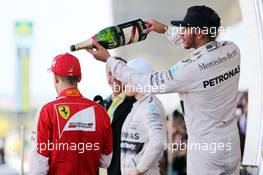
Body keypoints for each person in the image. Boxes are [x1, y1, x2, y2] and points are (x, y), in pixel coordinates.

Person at [86, 5, 241, 175]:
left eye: (185, 28)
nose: (181, 31)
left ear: (200, 33)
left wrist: (110, 61)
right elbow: (197, 44)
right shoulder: (231, 50)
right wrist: (164, 30)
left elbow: (146, 82)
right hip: (230, 143)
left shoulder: (188, 71)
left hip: (206, 152)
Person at [29, 53, 112, 175]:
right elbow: (105, 161)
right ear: (79, 78)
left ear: (55, 78)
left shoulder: (47, 111)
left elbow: (38, 165)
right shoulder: (100, 111)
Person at [119, 58, 167, 175]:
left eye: (127, 77)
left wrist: (138, 170)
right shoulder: (138, 105)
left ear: (138, 78)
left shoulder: (150, 105)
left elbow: (158, 142)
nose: (123, 81)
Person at [104, 57, 137, 175]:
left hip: (129, 166)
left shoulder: (135, 102)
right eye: (109, 73)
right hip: (110, 165)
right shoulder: (104, 103)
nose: (114, 77)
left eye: (117, 73)